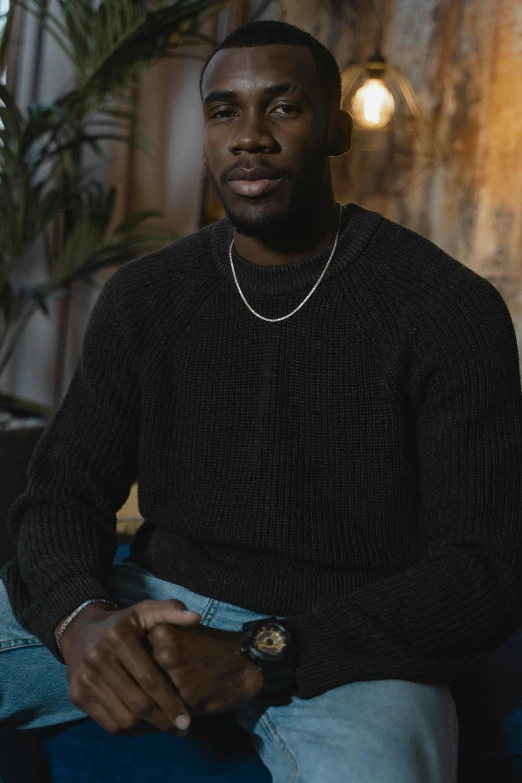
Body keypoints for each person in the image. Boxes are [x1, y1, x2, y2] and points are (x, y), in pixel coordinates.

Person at [1, 18, 522, 783]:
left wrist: (264, 653)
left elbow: (485, 570)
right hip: (155, 607)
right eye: (224, 112)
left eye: (283, 107)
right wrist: (80, 620)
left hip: (351, 642)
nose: (250, 136)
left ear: (338, 131)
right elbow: (59, 496)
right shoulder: (147, 297)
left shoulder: (447, 309)